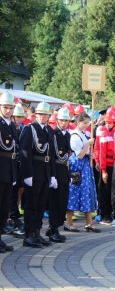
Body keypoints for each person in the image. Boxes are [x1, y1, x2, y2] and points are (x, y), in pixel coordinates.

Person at [21, 101, 57, 248]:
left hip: (46, 171)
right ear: (36, 115)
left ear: (49, 115)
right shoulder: (30, 129)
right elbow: (25, 152)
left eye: (46, 114)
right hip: (34, 171)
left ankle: (37, 232)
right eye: (41, 114)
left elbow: (52, 155)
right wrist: (27, 174)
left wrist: (53, 175)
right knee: (31, 204)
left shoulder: (49, 130)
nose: (43, 117)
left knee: (41, 204)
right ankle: (29, 234)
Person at [65, 112, 100, 233]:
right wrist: (88, 144)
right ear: (78, 122)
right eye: (84, 123)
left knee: (87, 193)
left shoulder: (83, 134)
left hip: (85, 166)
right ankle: (69, 222)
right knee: (74, 193)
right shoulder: (74, 136)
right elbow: (79, 154)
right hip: (78, 167)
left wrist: (90, 154)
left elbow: (84, 153)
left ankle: (89, 223)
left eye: (87, 123)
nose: (86, 125)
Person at [46, 108, 71, 242]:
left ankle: (56, 227)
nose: (64, 123)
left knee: (62, 201)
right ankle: (53, 227)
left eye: (66, 120)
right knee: (55, 202)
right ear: (57, 121)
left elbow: (67, 154)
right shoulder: (53, 134)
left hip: (64, 170)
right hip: (55, 169)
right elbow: (52, 156)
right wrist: (53, 175)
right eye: (61, 120)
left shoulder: (67, 135)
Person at [0, 92, 18, 252]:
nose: (8, 110)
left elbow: (13, 149)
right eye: (5, 107)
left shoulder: (12, 125)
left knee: (4, 206)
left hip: (9, 169)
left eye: (11, 108)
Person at [95, 107, 115, 225]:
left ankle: (110, 213)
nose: (108, 124)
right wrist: (99, 163)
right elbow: (98, 149)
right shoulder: (102, 131)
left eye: (111, 122)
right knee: (103, 190)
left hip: (114, 165)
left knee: (112, 191)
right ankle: (102, 214)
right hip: (105, 164)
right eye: (107, 122)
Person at [6, 103, 26, 238]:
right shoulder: (9, 127)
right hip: (9, 164)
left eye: (20, 117)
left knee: (17, 191)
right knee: (9, 194)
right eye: (16, 117)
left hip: (19, 165)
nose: (18, 119)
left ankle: (13, 217)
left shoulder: (23, 129)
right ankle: (10, 217)